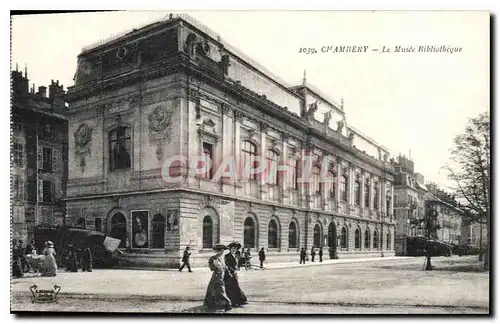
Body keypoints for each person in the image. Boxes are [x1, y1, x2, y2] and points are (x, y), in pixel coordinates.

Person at [204, 244, 232, 312]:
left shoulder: (222, 257)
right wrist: (220, 271)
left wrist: (228, 272)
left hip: (220, 275)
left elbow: (224, 267)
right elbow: (217, 268)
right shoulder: (215, 258)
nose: (222, 252)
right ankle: (227, 304)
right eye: (221, 250)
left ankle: (212, 304)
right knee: (219, 289)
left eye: (223, 250)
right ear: (218, 251)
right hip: (217, 275)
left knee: (213, 289)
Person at [224, 242, 248, 308]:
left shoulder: (236, 256)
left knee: (235, 286)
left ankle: (240, 301)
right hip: (228, 274)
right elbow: (227, 265)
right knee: (231, 288)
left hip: (234, 273)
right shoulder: (227, 256)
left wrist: (237, 268)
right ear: (230, 249)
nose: (234, 250)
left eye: (236, 248)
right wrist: (233, 271)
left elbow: (237, 264)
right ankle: (234, 302)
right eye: (233, 248)